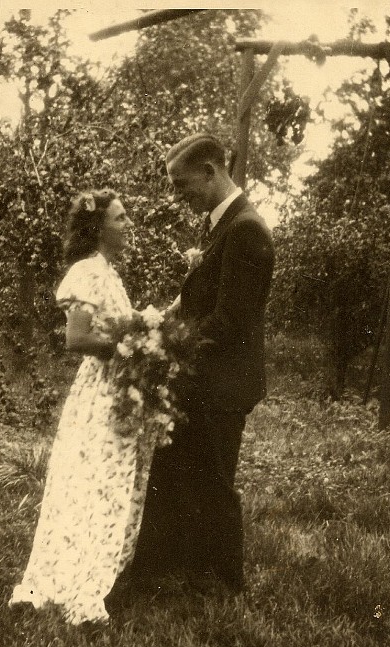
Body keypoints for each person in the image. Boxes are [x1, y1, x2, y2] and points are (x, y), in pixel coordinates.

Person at [129, 133, 275, 594]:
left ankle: (225, 583)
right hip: (203, 377)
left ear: (210, 172)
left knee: (212, 481)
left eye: (181, 185)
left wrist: (168, 345)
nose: (178, 196)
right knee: (180, 474)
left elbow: (230, 321)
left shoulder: (246, 229)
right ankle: (176, 569)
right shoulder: (220, 223)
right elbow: (201, 298)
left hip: (223, 382)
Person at [9, 188, 153, 625]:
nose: (128, 224)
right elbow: (77, 339)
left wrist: (149, 330)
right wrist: (129, 347)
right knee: (91, 484)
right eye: (120, 218)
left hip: (115, 390)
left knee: (103, 485)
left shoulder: (108, 272)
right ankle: (75, 586)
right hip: (100, 395)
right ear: (98, 227)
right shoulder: (87, 271)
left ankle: (88, 573)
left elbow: (116, 327)